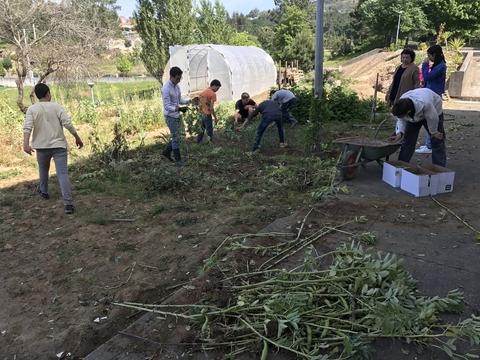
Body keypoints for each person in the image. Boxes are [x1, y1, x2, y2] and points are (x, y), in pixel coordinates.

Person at [22, 83, 84, 214]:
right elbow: (67, 123)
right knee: (62, 174)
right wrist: (77, 137)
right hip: (59, 146)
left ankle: (44, 192)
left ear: (38, 96)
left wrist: (26, 144)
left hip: (41, 147)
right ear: (48, 93)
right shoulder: (56, 107)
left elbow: (27, 127)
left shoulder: (32, 109)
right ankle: (68, 204)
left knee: (43, 170)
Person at [389, 88, 446, 167]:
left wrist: (434, 132)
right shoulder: (401, 104)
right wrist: (399, 133)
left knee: (437, 140)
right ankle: (401, 165)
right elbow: (401, 120)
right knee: (408, 141)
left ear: (408, 112)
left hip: (434, 108)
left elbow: (433, 118)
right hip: (414, 116)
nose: (400, 117)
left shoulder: (426, 104)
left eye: (401, 115)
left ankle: (439, 167)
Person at [416, 44, 447, 154]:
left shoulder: (441, 66)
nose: (428, 58)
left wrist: (424, 65)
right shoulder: (437, 65)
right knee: (430, 120)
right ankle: (430, 144)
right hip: (430, 94)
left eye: (429, 55)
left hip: (434, 97)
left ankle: (430, 145)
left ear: (434, 55)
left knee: (432, 119)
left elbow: (427, 77)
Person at [161, 66, 190, 165]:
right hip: (170, 116)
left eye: (180, 78)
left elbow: (179, 100)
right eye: (177, 78)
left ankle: (166, 152)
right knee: (176, 137)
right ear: (171, 77)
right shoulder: (166, 88)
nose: (179, 80)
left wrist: (189, 101)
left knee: (177, 136)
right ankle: (178, 160)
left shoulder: (177, 86)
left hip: (177, 115)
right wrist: (179, 108)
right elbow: (167, 106)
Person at [197, 79, 221, 144]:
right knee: (209, 129)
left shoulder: (204, 92)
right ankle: (209, 143)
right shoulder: (212, 94)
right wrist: (215, 118)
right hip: (207, 114)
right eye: (217, 88)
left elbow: (199, 103)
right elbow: (211, 108)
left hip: (201, 113)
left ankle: (198, 141)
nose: (217, 90)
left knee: (201, 128)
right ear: (214, 86)